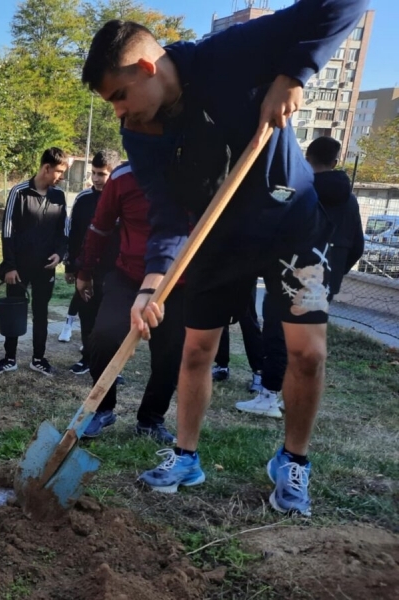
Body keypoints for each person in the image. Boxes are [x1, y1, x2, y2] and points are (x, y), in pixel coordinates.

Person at [82, 0, 367, 515]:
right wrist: (150, 285)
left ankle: (293, 461)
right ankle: (186, 456)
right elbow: (166, 215)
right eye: (112, 104)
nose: (119, 113)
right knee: (197, 353)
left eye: (121, 96)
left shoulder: (229, 53)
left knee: (307, 353)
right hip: (212, 235)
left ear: (148, 67)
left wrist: (293, 74)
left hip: (290, 221)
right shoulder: (139, 133)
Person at [236, 136, 364, 418]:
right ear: (335, 160)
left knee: (276, 336)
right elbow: (357, 245)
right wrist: (334, 275)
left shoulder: (297, 191)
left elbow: (271, 230)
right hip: (323, 281)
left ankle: (269, 396)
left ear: (307, 158)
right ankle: (295, 400)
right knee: (309, 347)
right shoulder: (350, 200)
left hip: (287, 276)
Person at [76, 162, 185, 442]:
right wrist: (85, 270)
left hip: (178, 283)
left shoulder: (197, 173)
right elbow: (100, 227)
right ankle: (102, 408)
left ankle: (150, 420)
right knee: (103, 337)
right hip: (128, 275)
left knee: (169, 355)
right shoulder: (123, 176)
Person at [0, 148, 68, 376]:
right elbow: (7, 232)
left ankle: (38, 358)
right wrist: (10, 265)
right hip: (19, 267)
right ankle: (9, 357)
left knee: (41, 312)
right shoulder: (19, 192)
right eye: (59, 172)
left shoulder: (59, 196)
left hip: (45, 268)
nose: (61, 177)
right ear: (46, 168)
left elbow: (62, 231)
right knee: (14, 312)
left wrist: (59, 254)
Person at [64, 150, 119, 375]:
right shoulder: (83, 199)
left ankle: (112, 366)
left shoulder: (123, 200)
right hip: (86, 270)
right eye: (93, 173)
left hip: (115, 273)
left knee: (110, 323)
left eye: (102, 174)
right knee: (87, 316)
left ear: (113, 174)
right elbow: (74, 234)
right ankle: (87, 358)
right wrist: (71, 267)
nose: (96, 179)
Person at [212, 285, 264, 393]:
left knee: (248, 320)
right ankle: (222, 366)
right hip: (220, 275)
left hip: (245, 275)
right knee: (219, 318)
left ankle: (259, 372)